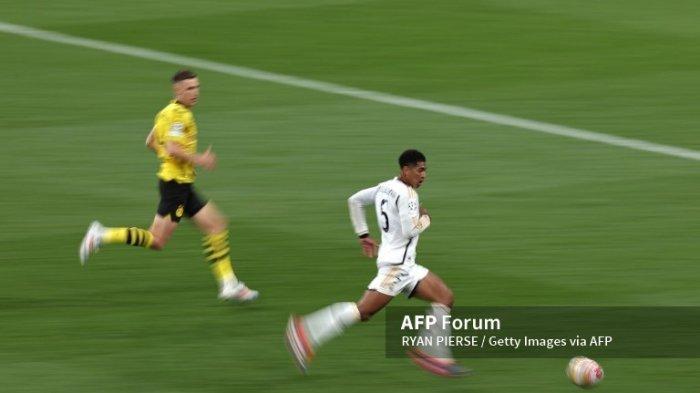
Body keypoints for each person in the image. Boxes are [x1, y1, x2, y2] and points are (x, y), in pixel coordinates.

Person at [79, 69, 258, 302]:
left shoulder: (166, 112)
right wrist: (200, 159)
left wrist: (168, 156)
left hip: (181, 185)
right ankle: (102, 234)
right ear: (178, 91)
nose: (195, 93)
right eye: (189, 89)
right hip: (175, 188)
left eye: (197, 87)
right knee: (157, 240)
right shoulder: (179, 116)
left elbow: (150, 141)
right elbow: (173, 148)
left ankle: (228, 284)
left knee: (216, 225)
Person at [285, 149, 467, 376]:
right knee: (364, 311)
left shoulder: (385, 187)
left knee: (445, 297)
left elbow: (355, 200)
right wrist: (426, 219)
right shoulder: (409, 195)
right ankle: (305, 332)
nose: (424, 175)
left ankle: (431, 351)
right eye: (420, 170)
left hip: (406, 266)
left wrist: (363, 234)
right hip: (396, 268)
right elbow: (411, 229)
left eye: (425, 171)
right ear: (406, 170)